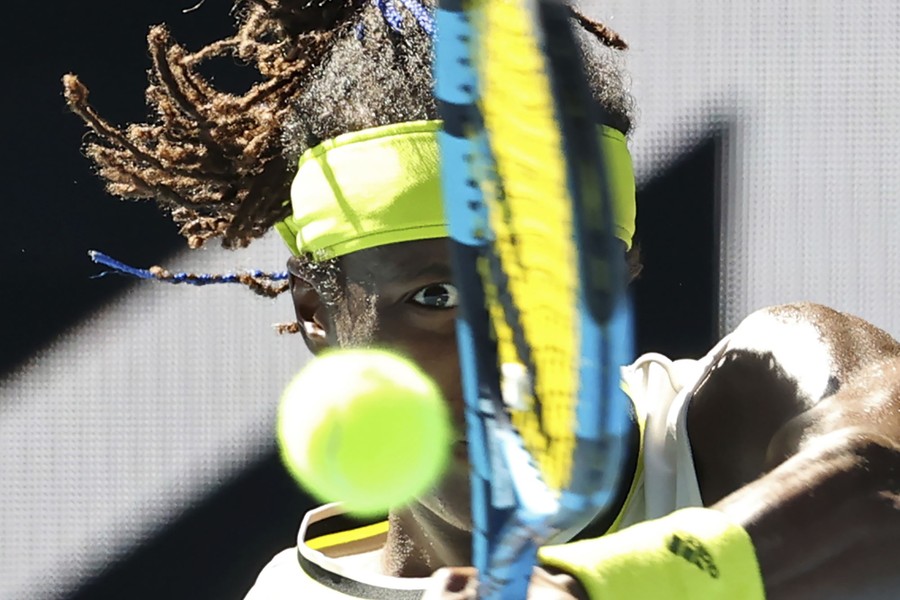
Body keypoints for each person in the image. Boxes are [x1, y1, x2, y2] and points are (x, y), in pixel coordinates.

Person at [65, 0, 900, 598]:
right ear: (321, 314)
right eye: (435, 297)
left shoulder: (747, 403)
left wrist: (585, 588)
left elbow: (883, 483)